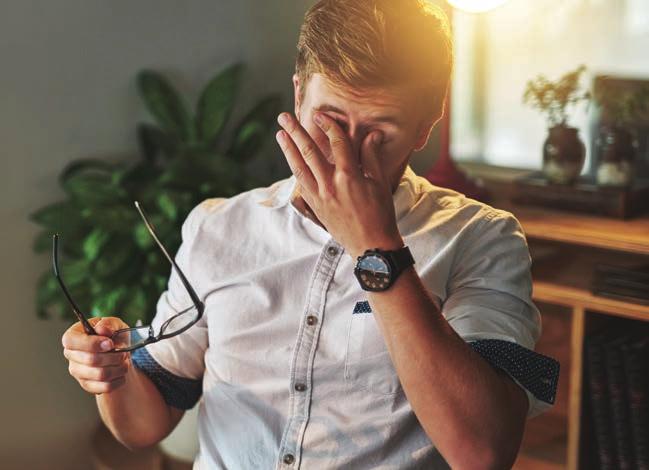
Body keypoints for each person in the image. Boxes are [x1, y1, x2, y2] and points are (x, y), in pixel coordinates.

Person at [61, 0, 559, 468]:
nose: (348, 154)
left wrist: (376, 248)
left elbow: (483, 452)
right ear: (299, 94)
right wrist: (109, 374)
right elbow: (145, 424)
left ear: (426, 127)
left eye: (380, 133)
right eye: (330, 121)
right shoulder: (218, 226)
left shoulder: (480, 238)